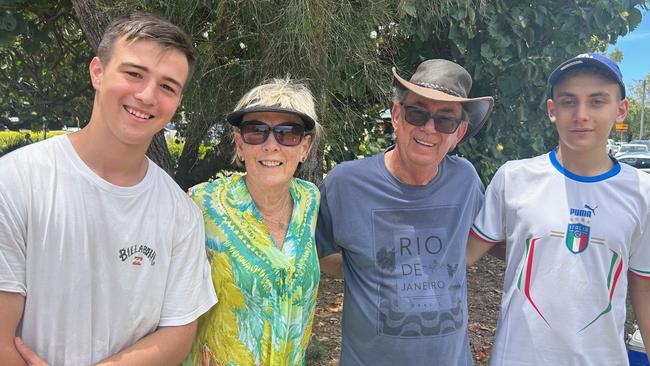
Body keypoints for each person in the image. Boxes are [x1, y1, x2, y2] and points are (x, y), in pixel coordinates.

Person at [0, 12, 217, 365]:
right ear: (97, 72)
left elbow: (177, 334)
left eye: (167, 86)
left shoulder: (181, 212)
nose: (147, 95)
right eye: (134, 74)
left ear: (177, 103)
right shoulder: (15, 182)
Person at [467, 53, 650, 364]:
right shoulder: (513, 178)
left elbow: (643, 288)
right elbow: (460, 258)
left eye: (596, 101)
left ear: (621, 109)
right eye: (568, 101)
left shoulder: (643, 192)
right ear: (552, 110)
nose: (580, 114)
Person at [317, 59, 494, 365]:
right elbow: (316, 255)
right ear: (397, 115)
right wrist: (366, 271)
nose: (428, 128)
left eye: (444, 120)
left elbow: (481, 239)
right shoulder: (345, 184)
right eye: (417, 113)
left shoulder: (466, 181)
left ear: (459, 133)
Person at [184, 78, 323, 366]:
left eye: (288, 133)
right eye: (256, 131)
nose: (271, 145)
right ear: (240, 144)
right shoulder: (201, 204)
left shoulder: (310, 200)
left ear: (304, 147)